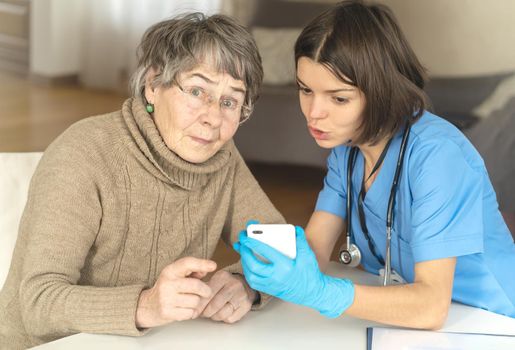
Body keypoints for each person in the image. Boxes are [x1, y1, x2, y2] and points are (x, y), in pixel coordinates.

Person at [0, 13, 284, 349]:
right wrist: (146, 305)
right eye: (196, 91)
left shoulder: (219, 155)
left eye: (229, 101)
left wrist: (246, 283)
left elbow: (277, 243)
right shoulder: (84, 153)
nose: (212, 118)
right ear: (153, 85)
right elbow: (38, 302)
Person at [235, 0, 515, 330]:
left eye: (338, 98)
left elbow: (430, 307)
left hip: (490, 319)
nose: (314, 112)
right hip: (407, 312)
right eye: (305, 90)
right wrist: (252, 277)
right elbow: (314, 252)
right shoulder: (347, 150)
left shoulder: (437, 156)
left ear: (382, 90)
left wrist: (323, 292)